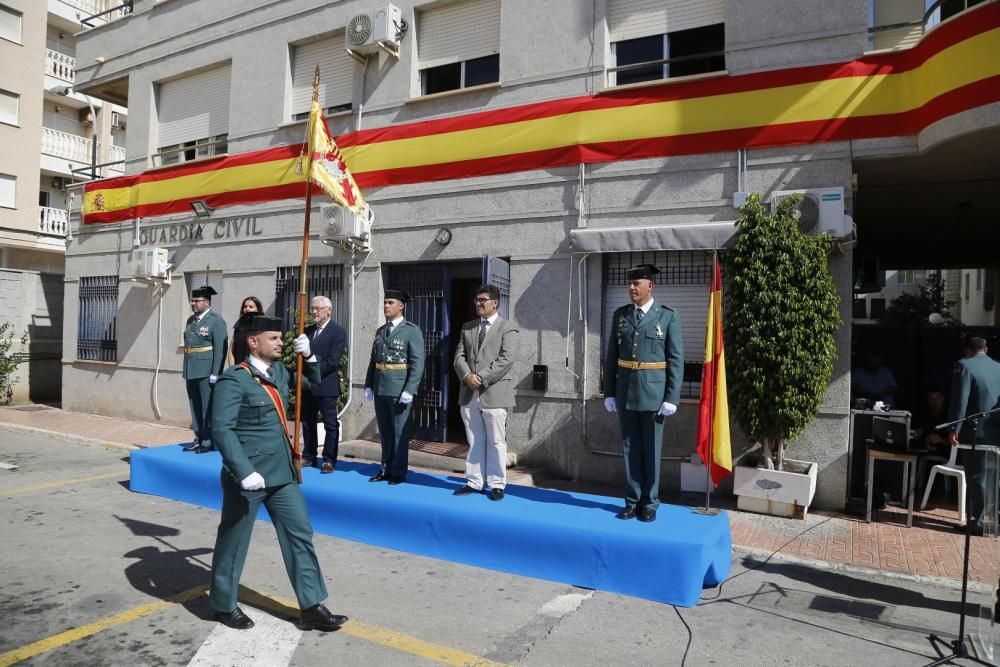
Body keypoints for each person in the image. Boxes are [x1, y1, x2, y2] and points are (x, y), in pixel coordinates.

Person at [208, 314, 346, 632]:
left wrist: (310, 356)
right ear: (253, 342)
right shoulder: (235, 380)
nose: (280, 342)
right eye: (273, 338)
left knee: (300, 534)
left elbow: (311, 383)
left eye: (281, 338)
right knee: (234, 539)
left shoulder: (280, 372)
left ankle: (311, 606)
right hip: (248, 477)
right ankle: (223, 604)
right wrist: (243, 471)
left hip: (282, 474)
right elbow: (222, 429)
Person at [603, 264, 683, 523]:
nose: (631, 288)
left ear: (651, 286)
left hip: (654, 395)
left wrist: (671, 397)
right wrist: (609, 392)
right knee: (629, 449)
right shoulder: (621, 315)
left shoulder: (667, 316)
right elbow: (611, 356)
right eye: (630, 283)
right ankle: (632, 501)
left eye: (637, 283)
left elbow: (676, 359)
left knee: (651, 450)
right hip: (626, 391)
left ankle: (650, 502)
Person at [452, 284, 520, 501]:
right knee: (474, 440)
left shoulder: (508, 327)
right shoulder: (468, 327)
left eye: (483, 300)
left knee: (496, 441)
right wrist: (466, 376)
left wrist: (480, 377)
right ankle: (474, 481)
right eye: (476, 300)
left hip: (494, 392)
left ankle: (497, 483)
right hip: (469, 392)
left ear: (495, 303)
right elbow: (458, 357)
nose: (478, 304)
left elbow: (506, 359)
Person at [364, 289, 425, 485]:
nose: (386, 306)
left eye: (390, 302)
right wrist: (368, 384)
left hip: (399, 389)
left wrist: (410, 389)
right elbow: (374, 360)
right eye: (385, 302)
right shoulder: (381, 331)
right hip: (380, 387)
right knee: (385, 431)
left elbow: (418, 363)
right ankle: (385, 468)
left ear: (401, 306)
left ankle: (398, 471)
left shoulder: (411, 330)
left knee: (399, 432)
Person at [947, 336, 1000, 535]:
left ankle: (979, 522)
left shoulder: (964, 366)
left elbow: (960, 400)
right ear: (986, 349)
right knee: (996, 478)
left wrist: (954, 428)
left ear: (967, 350)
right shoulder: (998, 367)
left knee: (977, 476)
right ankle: (995, 520)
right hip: (996, 432)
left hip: (976, 432)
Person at [301, 296, 347, 473]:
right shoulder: (308, 331)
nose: (314, 312)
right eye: (312, 309)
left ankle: (329, 459)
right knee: (307, 422)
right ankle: (309, 455)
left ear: (329, 310)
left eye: (318, 309)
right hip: (308, 386)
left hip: (326, 385)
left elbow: (333, 361)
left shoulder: (338, 332)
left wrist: (313, 372)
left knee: (330, 424)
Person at [182, 286, 228, 454]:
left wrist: (216, 372)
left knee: (206, 407)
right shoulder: (190, 321)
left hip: (206, 371)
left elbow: (220, 349)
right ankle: (198, 437)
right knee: (194, 405)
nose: (193, 303)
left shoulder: (216, 320)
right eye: (192, 300)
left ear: (207, 302)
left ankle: (208, 441)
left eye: (196, 301)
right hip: (191, 369)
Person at [912, 385, 949, 456]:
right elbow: (919, 432)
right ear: (927, 400)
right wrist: (920, 436)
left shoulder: (949, 415)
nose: (935, 402)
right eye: (932, 399)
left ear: (943, 398)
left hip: (945, 453)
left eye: (938, 398)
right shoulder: (924, 413)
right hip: (924, 451)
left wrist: (940, 440)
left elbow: (956, 440)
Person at [228, 296, 263, 366]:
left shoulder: (262, 327)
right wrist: (232, 369)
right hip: (239, 369)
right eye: (245, 307)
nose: (247, 309)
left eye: (251, 307)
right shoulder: (238, 327)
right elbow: (231, 351)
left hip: (255, 371)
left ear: (258, 309)